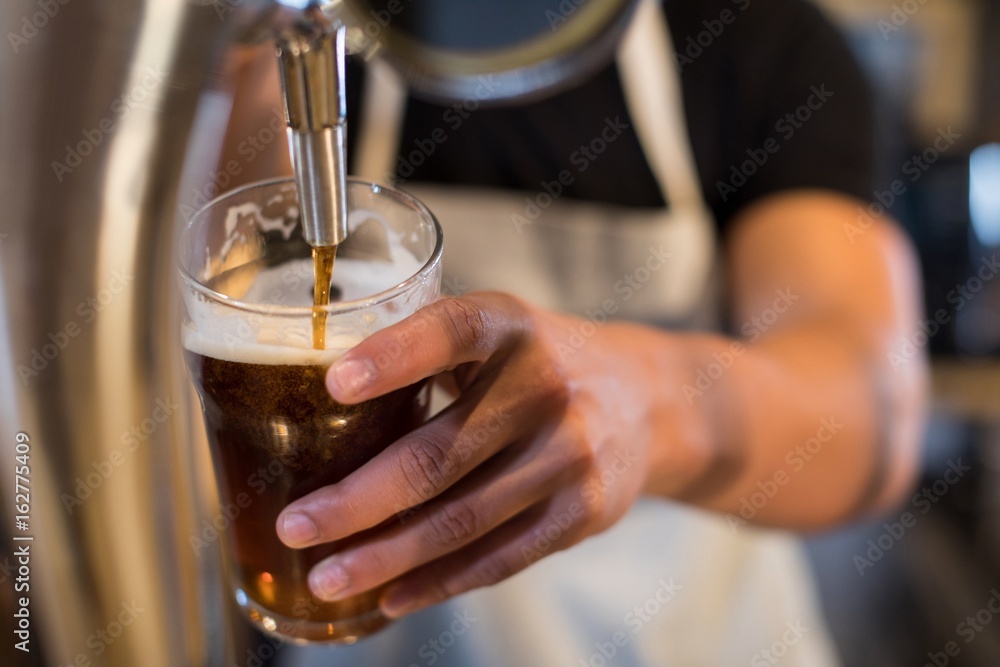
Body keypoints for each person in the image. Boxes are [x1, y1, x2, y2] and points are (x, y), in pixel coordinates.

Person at [218, 0, 928, 664]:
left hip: (685, 633)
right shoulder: (322, 35)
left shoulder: (753, 38)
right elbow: (228, 269)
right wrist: (237, 53)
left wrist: (641, 404)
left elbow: (872, 421)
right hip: (376, 629)